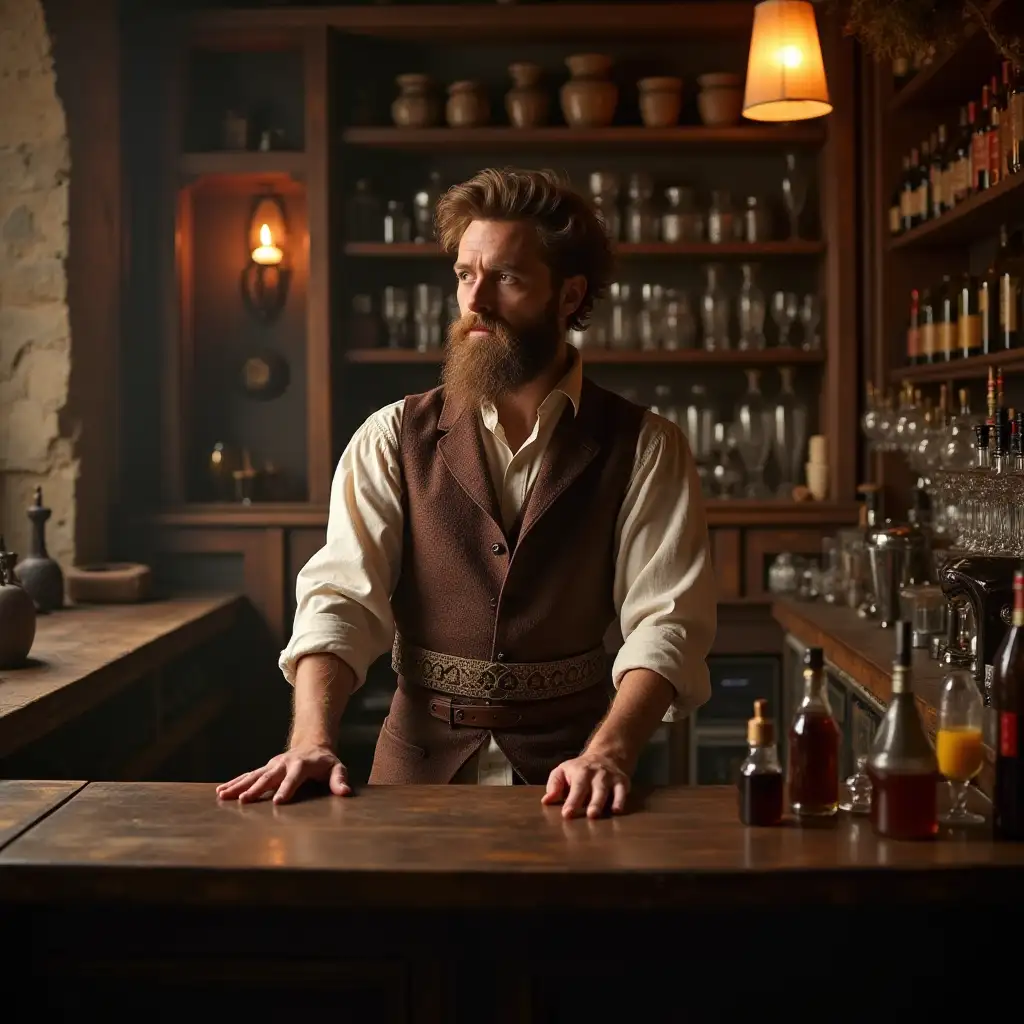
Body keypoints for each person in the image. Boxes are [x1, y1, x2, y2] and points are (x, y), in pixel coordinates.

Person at [217, 167, 716, 818]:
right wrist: (311, 741)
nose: (475, 301)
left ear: (568, 296)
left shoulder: (647, 445)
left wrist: (610, 752)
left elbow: (666, 622)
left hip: (578, 782)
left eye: (506, 278)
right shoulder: (391, 436)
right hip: (413, 778)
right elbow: (340, 601)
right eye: (464, 274)